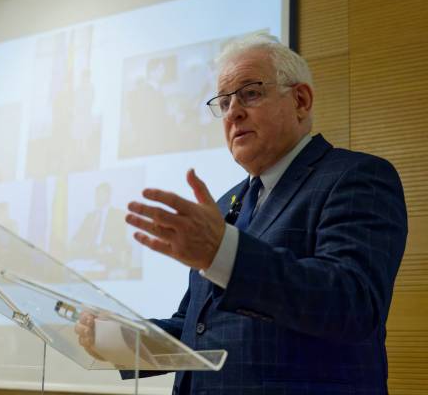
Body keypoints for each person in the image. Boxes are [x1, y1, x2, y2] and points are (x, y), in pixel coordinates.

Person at [75, 33, 407, 394]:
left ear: (300, 100)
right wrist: (123, 340)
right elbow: (196, 329)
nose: (233, 111)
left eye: (250, 93)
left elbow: (350, 303)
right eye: (224, 100)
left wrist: (225, 255)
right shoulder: (226, 204)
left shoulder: (356, 178)